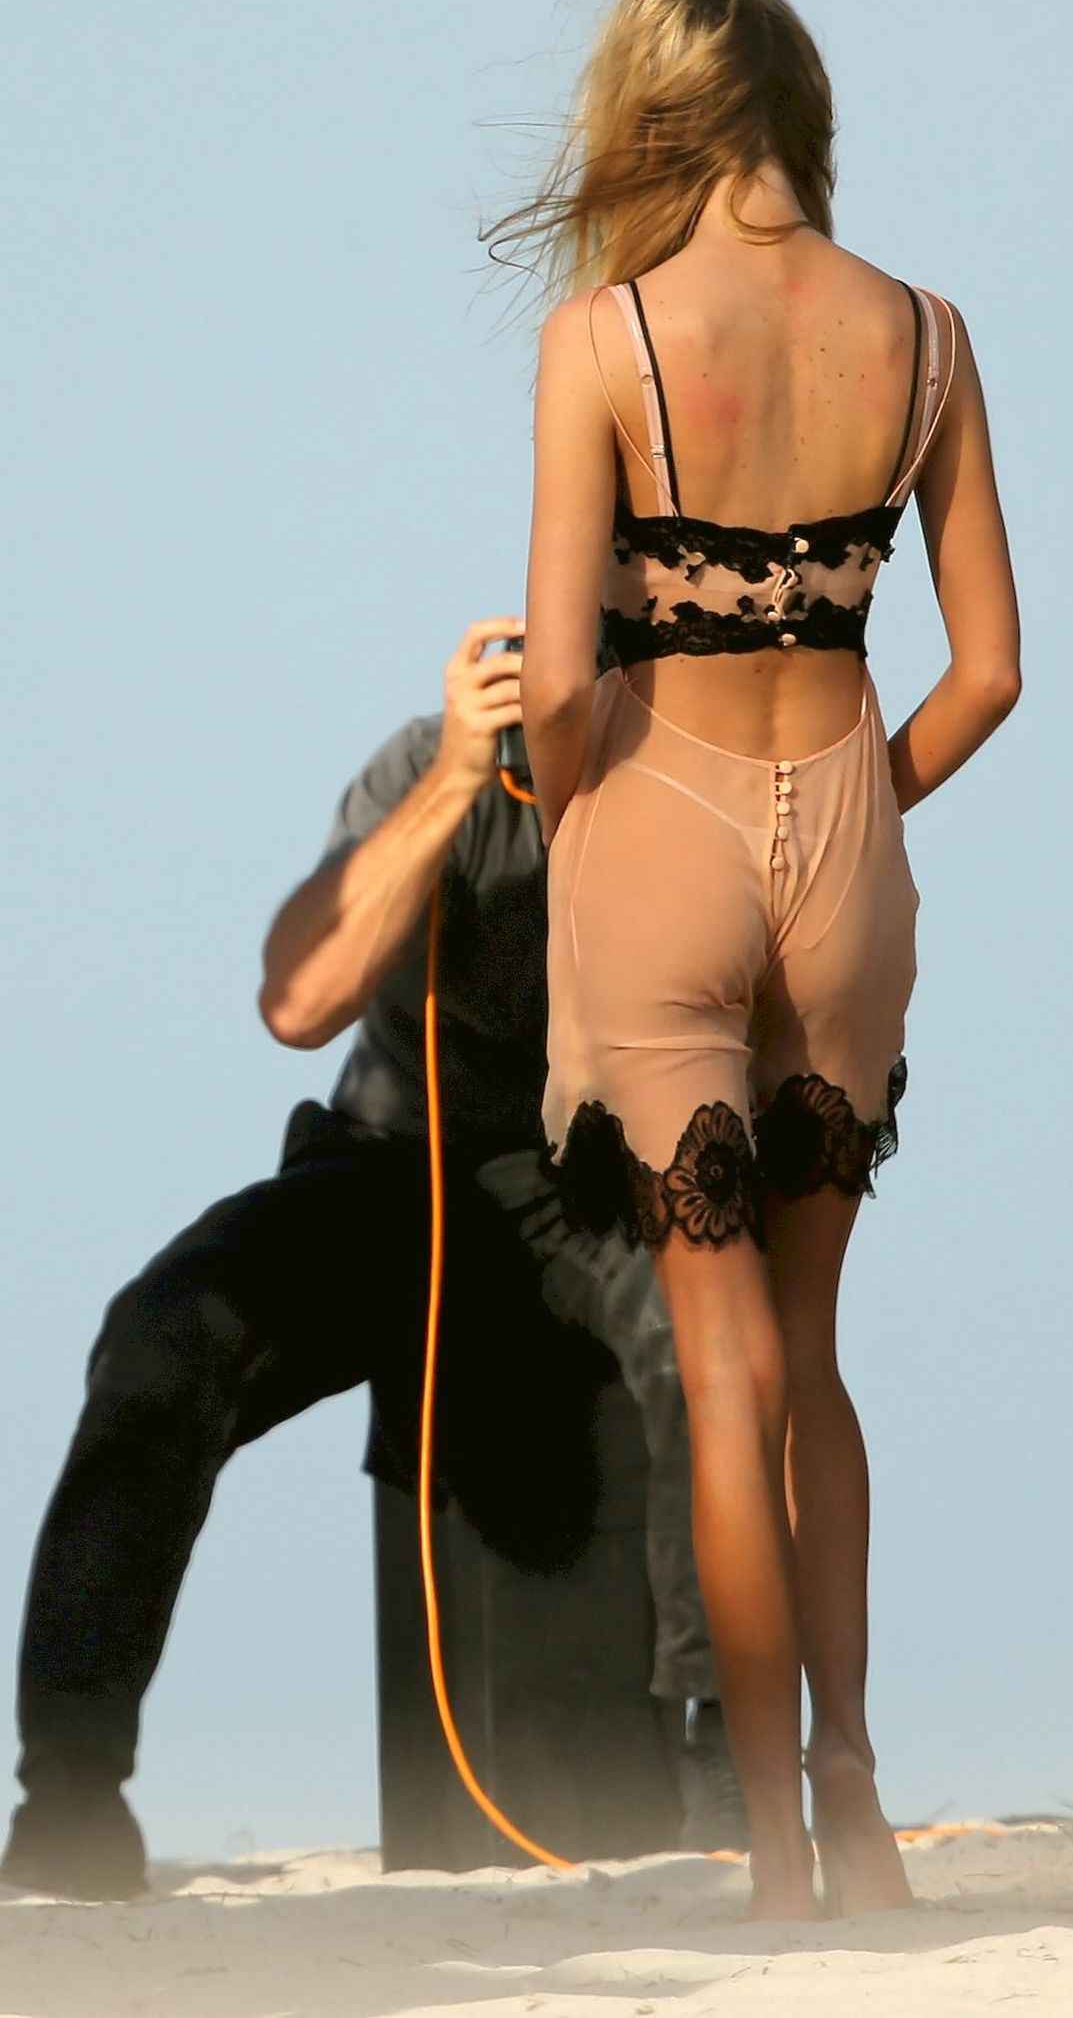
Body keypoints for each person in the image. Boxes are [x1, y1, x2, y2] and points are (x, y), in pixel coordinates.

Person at [492, 0, 1022, 1918]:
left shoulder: (604, 342)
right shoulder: (929, 337)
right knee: (812, 1351)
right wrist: (861, 803)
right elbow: (991, 672)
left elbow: (563, 685)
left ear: (651, 115)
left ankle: (780, 1852)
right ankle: (858, 1789)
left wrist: (579, 808)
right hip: (847, 830)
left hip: (665, 818)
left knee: (717, 1373)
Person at [2, 617, 738, 1903]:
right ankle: (69, 1795)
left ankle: (719, 1760)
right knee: (160, 1334)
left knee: (710, 1348)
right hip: (391, 1159)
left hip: (599, 1174)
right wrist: (456, 773)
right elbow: (297, 1002)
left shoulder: (695, 776)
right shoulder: (427, 763)